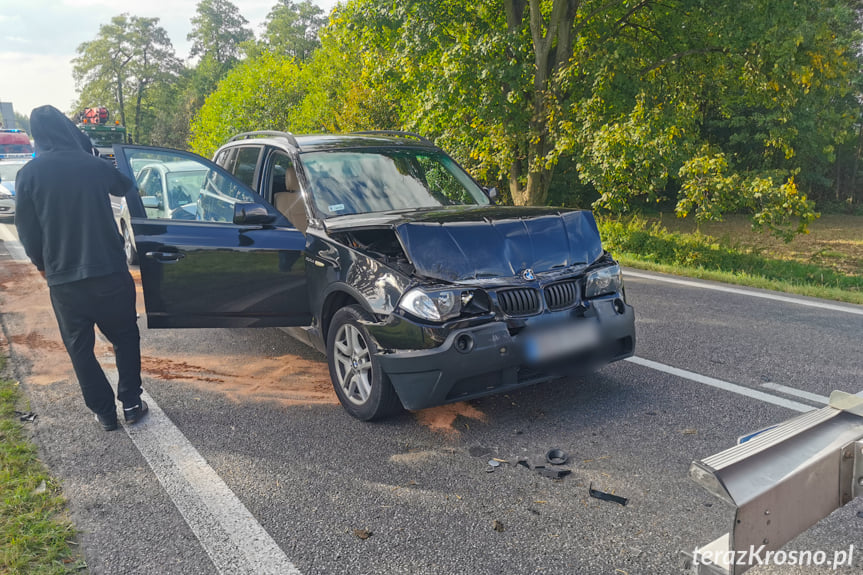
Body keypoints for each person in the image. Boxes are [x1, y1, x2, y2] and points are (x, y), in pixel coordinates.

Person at [15, 105, 147, 431]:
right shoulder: (92, 165)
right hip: (110, 272)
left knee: (80, 349)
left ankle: (104, 413)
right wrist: (88, 149)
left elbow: (28, 233)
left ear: (36, 136)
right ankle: (131, 402)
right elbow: (124, 185)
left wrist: (44, 268)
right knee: (125, 337)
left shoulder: (28, 175)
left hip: (64, 281)